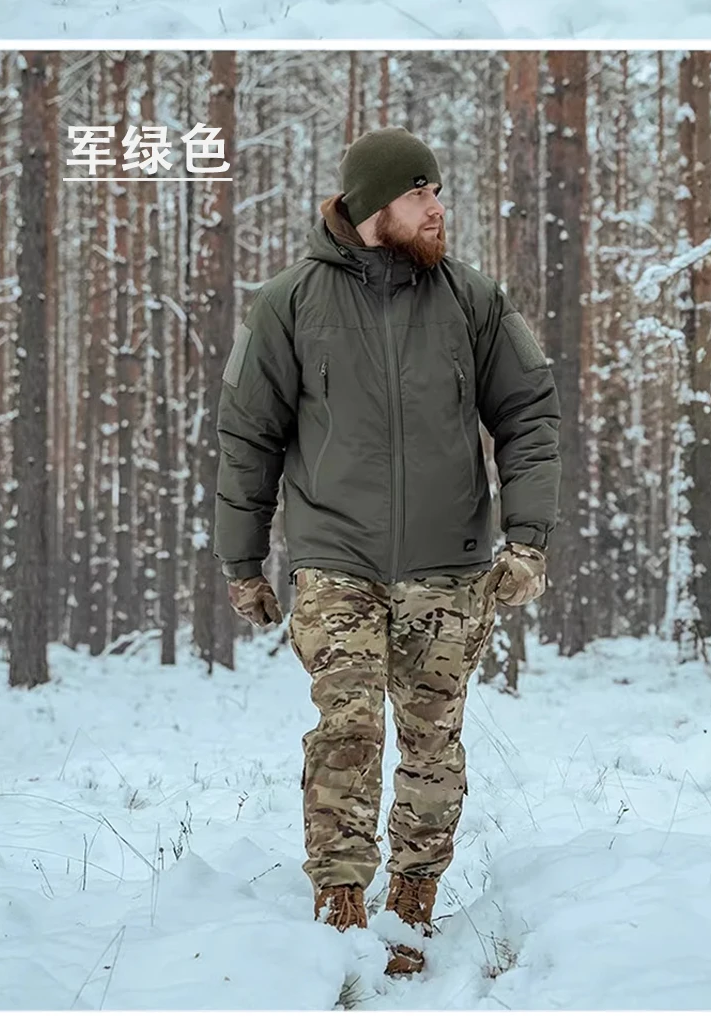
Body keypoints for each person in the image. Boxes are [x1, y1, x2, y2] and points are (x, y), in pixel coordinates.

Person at [214, 127, 561, 976]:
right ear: (374, 204)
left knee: (432, 742)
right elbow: (249, 434)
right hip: (335, 557)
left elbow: (529, 415)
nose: (437, 206)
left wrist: (527, 538)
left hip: (451, 565)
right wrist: (241, 562)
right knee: (348, 726)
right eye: (419, 192)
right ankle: (339, 903)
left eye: (436, 190)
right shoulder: (289, 302)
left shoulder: (474, 299)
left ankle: (412, 901)